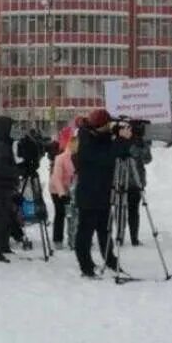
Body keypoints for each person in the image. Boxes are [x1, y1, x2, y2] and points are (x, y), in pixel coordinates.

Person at [73, 109, 132, 278]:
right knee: (86, 231)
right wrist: (120, 140)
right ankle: (85, 265)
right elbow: (105, 157)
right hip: (89, 193)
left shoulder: (97, 136)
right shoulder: (83, 139)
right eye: (107, 125)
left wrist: (120, 137)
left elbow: (114, 151)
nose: (109, 128)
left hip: (104, 192)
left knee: (105, 230)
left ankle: (110, 259)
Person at [0, 116, 22, 262]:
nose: (12, 130)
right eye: (9, 127)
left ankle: (4, 245)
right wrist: (18, 171)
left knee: (7, 217)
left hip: (5, 187)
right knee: (0, 218)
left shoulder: (2, 143)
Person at [121, 126, 153, 246]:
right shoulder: (122, 142)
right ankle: (120, 236)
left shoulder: (142, 143)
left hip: (137, 181)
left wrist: (142, 148)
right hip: (122, 180)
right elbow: (122, 155)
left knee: (134, 211)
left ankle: (134, 237)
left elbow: (147, 160)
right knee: (121, 211)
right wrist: (132, 146)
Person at [49, 136, 76, 249]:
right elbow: (56, 178)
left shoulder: (80, 157)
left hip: (72, 189)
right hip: (57, 189)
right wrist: (62, 193)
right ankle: (57, 239)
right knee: (60, 213)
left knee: (73, 214)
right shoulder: (61, 158)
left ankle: (73, 237)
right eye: (74, 144)